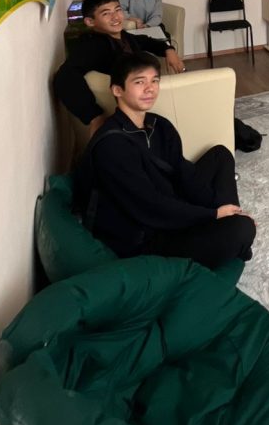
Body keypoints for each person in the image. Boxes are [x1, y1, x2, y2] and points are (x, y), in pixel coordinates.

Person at [73, 52, 255, 268]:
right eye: (139, 82)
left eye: (154, 81)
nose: (150, 89)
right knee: (242, 229)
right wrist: (212, 214)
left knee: (221, 155)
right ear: (117, 90)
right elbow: (150, 207)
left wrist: (223, 209)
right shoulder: (112, 146)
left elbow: (183, 172)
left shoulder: (158, 125)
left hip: (169, 202)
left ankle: (231, 222)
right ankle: (233, 238)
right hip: (146, 236)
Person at [54, 0, 185, 139]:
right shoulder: (93, 46)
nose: (116, 17)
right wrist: (94, 116)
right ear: (90, 22)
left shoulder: (124, 37)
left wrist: (168, 49)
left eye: (118, 10)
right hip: (130, 107)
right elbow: (64, 76)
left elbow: (146, 41)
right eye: (106, 14)